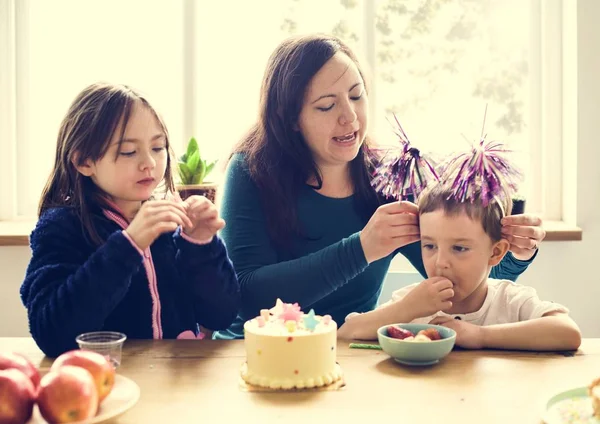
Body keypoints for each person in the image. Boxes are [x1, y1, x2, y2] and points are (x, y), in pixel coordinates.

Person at [215, 34, 545, 340]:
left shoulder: (389, 177)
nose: (350, 117)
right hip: (254, 353)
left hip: (348, 353)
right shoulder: (250, 170)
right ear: (290, 119)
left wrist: (518, 252)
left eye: (357, 96)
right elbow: (245, 295)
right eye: (327, 106)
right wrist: (361, 248)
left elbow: (466, 280)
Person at [20, 83, 240, 357]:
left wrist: (201, 245)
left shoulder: (170, 225)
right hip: (110, 385)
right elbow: (52, 333)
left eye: (158, 147)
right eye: (128, 152)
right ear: (84, 161)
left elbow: (222, 316)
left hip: (178, 388)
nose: (149, 162)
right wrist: (128, 245)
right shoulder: (61, 228)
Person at [338, 182, 581, 351]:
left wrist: (479, 336)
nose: (440, 263)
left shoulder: (510, 300)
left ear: (495, 252)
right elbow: (347, 333)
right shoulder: (412, 302)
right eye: (430, 246)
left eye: (459, 248)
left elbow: (568, 332)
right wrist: (405, 309)